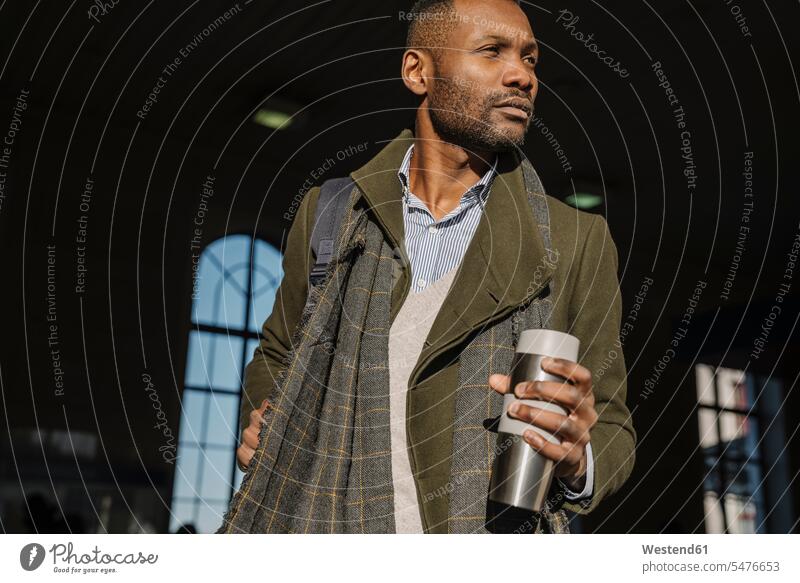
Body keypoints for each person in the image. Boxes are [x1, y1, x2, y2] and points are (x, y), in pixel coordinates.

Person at [222, 0, 635, 534]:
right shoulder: (330, 214)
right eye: (493, 52)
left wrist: (581, 461)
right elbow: (279, 352)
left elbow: (613, 425)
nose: (522, 76)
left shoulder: (577, 242)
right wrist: (264, 419)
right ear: (418, 72)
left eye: (531, 60)